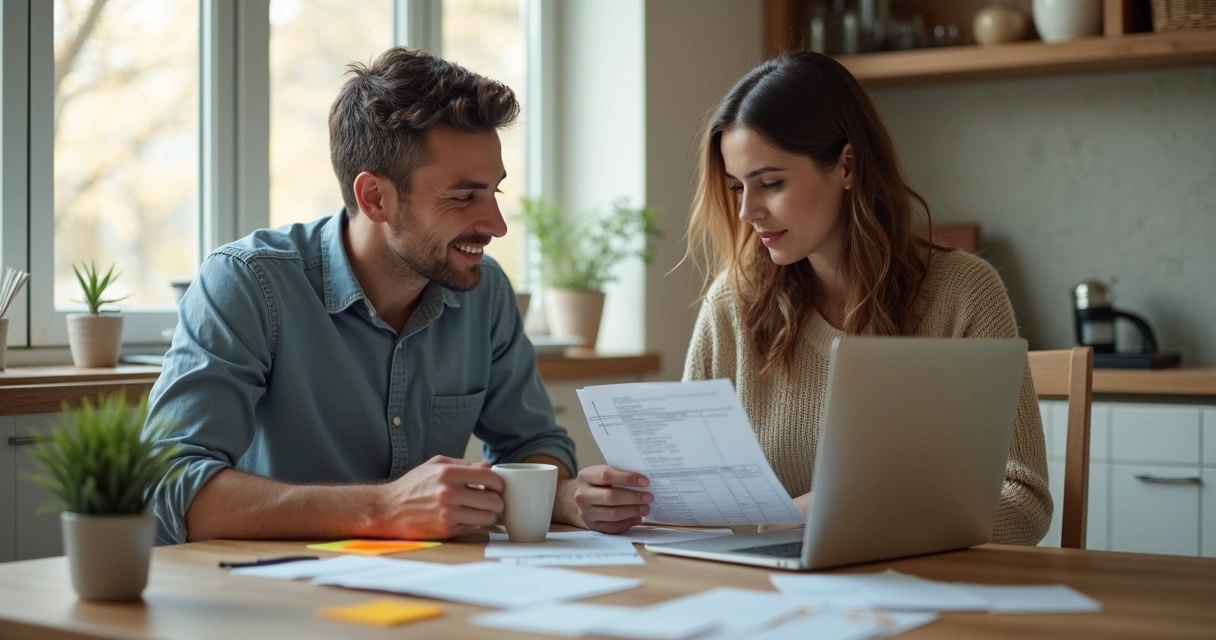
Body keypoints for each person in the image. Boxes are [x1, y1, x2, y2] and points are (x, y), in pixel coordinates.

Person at [571, 51, 1052, 545]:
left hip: (922, 599)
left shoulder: (964, 294)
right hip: (764, 603)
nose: (746, 212)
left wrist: (840, 515)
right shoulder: (731, 303)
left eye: (770, 183)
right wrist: (620, 502)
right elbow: (690, 503)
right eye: (736, 187)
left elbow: (1023, 500)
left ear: (847, 165)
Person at [146, 47, 587, 545]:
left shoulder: (485, 291)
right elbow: (169, 485)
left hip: (433, 595)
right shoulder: (249, 284)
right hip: (273, 602)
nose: (497, 226)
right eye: (464, 197)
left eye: (494, 193)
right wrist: (385, 508)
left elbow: (532, 444)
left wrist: (565, 496)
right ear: (374, 197)